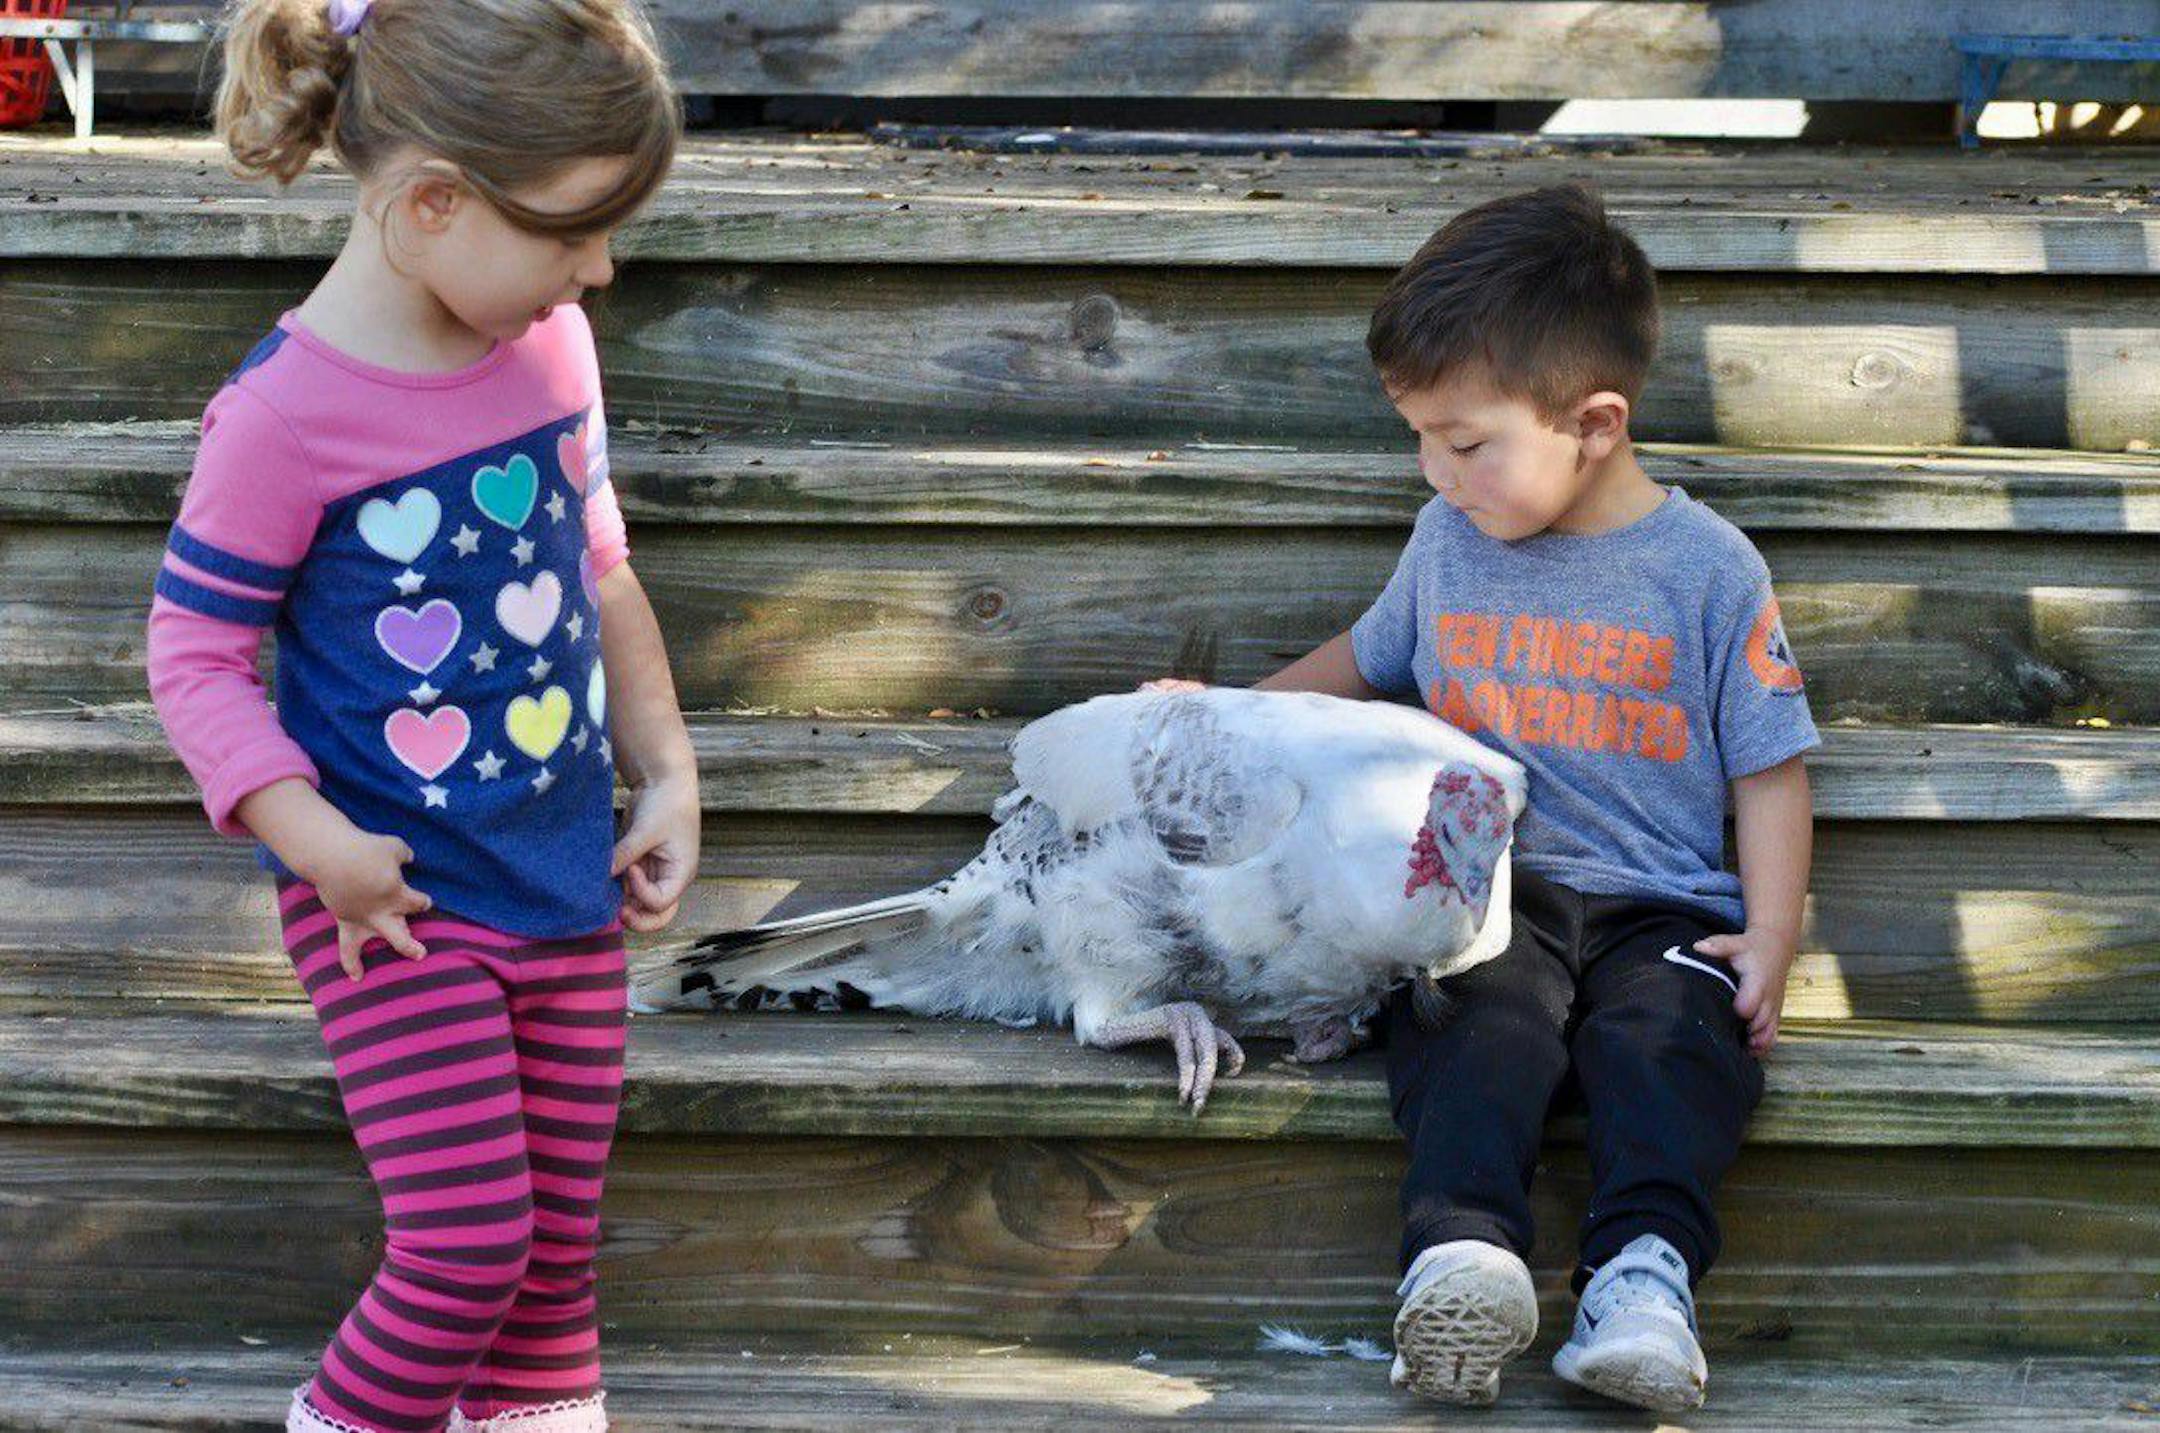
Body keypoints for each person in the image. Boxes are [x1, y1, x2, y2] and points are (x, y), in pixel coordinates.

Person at [1154, 184, 1817, 1413]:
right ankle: (1463, 1256)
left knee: (1671, 1045)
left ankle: (1643, 1278)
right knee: (1467, 1025)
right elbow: (1360, 664)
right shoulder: (1447, 542)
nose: (1436, 471)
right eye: (1419, 439)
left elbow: (1770, 766)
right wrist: (1226, 715)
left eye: (1465, 444)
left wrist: (1770, 933)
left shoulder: (1708, 570)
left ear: (1595, 422)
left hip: (1663, 904)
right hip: (1487, 893)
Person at [145, 0, 696, 1426]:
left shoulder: (551, 352)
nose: (601, 269)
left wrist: (669, 768)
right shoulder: (282, 415)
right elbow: (194, 649)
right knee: (466, 1250)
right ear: (434, 200)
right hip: (390, 903)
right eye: (575, 232)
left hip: (563, 877)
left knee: (555, 1257)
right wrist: (310, 836)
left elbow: (599, 566)